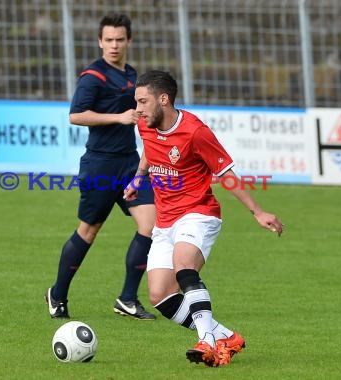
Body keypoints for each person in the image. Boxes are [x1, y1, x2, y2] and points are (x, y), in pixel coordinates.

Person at [124, 70, 284, 366]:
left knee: (184, 266)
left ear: (164, 99)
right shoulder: (146, 123)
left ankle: (207, 343)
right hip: (166, 220)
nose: (138, 109)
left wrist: (257, 211)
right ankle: (226, 338)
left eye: (143, 101)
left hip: (198, 213)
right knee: (160, 295)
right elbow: (149, 149)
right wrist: (138, 178)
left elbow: (226, 174)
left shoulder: (196, 132)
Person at [45, 13, 156, 320]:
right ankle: (57, 294)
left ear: (129, 41)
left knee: (151, 225)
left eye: (120, 39)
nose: (114, 45)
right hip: (100, 165)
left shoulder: (133, 75)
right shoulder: (93, 76)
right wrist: (118, 118)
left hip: (130, 165)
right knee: (89, 231)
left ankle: (128, 299)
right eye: (108, 40)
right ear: (100, 41)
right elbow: (76, 116)